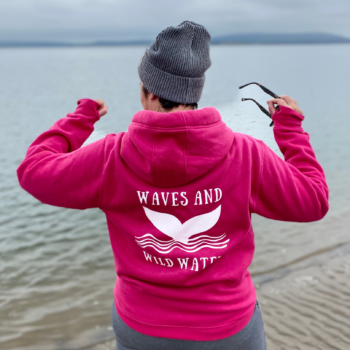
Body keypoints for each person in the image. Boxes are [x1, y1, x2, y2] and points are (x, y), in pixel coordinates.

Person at [17, 21, 329, 350]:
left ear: (148, 92)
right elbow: (313, 201)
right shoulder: (246, 155)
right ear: (195, 92)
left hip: (142, 327)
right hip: (226, 327)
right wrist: (290, 130)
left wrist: (79, 120)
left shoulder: (110, 156)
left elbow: (34, 171)